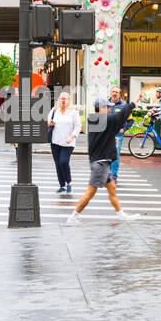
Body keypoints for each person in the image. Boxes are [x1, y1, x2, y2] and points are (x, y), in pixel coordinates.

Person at [67, 93, 139, 224]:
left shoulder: (96, 120)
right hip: (100, 162)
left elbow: (118, 118)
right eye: (107, 107)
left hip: (102, 161)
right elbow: (121, 116)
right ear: (100, 108)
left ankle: (120, 214)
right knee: (90, 192)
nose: (109, 109)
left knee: (112, 189)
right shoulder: (103, 120)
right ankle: (73, 217)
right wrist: (133, 103)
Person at [48, 90, 81, 195]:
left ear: (68, 100)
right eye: (61, 98)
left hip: (68, 142)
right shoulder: (54, 110)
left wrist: (72, 136)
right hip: (55, 141)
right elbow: (48, 122)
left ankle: (69, 183)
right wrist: (50, 123)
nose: (63, 100)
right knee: (57, 164)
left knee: (63, 162)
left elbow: (78, 126)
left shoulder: (73, 112)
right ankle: (62, 185)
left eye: (65, 98)